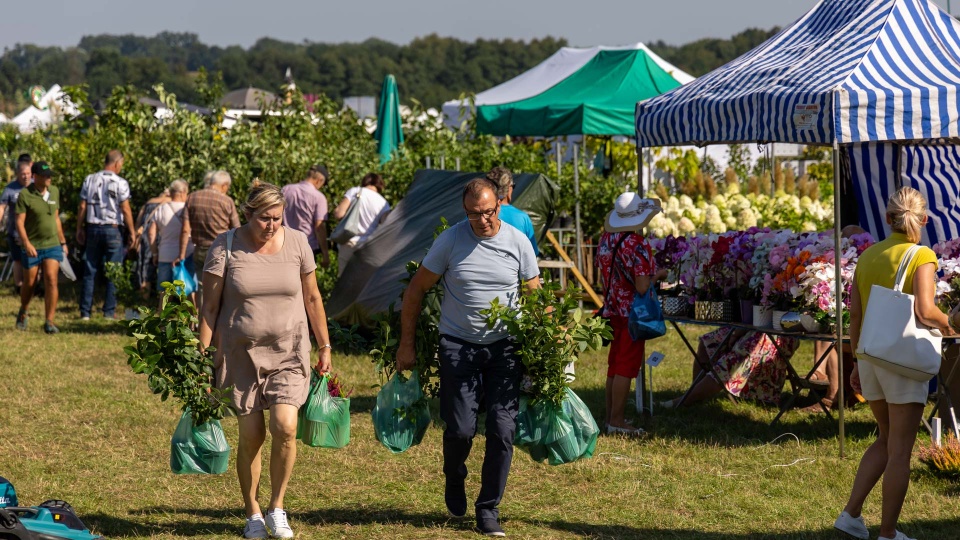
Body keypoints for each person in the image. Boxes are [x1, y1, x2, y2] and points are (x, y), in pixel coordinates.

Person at [396, 178, 540, 537]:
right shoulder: (451, 241)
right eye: (474, 214)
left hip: (505, 348)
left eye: (488, 212)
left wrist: (549, 344)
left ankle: (488, 508)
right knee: (460, 429)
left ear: (499, 207)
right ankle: (454, 475)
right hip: (458, 346)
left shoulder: (518, 242)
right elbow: (416, 291)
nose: (482, 220)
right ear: (465, 212)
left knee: (503, 429)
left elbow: (537, 296)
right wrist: (406, 344)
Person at [198, 181, 332, 539]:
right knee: (252, 436)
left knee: (286, 426)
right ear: (247, 214)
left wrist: (325, 346)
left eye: (277, 218)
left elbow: (313, 298)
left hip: (289, 350)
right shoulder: (225, 246)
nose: (271, 225)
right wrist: (202, 356)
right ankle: (252, 511)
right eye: (264, 219)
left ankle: (277, 507)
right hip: (239, 354)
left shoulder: (298, 242)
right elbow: (209, 308)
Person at [834, 187, 956, 540]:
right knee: (900, 451)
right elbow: (925, 311)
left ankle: (851, 515)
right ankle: (888, 534)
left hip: (871, 358)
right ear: (925, 219)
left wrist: (857, 363)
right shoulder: (923, 255)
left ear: (888, 219)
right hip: (901, 360)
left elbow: (855, 315)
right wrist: (951, 323)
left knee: (886, 440)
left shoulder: (868, 255)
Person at [595, 192, 666, 434]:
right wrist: (660, 275)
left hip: (611, 309)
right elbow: (642, 286)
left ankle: (609, 417)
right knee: (626, 366)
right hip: (632, 314)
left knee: (614, 365)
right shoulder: (637, 244)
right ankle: (617, 421)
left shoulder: (606, 240)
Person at [660, 328, 799, 408]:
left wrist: (737, 333)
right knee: (708, 341)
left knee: (734, 360)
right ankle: (696, 395)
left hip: (778, 332)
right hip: (750, 325)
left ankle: (684, 401)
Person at [76, 150, 136, 320]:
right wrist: (132, 231)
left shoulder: (90, 179)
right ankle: (109, 311)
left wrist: (79, 228)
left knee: (90, 270)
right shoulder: (120, 182)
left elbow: (82, 206)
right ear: (117, 163)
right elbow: (125, 208)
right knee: (114, 271)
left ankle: (85, 312)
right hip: (112, 229)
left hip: (93, 227)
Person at [14, 162, 66, 334]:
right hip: (33, 246)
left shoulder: (55, 192)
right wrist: (26, 243)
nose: (48, 178)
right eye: (45, 176)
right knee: (30, 282)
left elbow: (56, 218)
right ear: (35, 177)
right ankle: (24, 310)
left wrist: (63, 242)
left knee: (51, 279)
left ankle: (49, 321)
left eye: (50, 175)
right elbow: (19, 222)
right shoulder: (25, 195)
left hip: (52, 244)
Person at [176, 170, 240, 310]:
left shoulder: (192, 197)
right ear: (224, 185)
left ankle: (202, 322)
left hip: (199, 249)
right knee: (222, 286)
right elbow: (237, 229)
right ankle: (217, 323)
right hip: (221, 251)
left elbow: (185, 229)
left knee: (202, 287)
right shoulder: (227, 201)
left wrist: (181, 254)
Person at [331, 172, 390, 274]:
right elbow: (386, 227)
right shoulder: (383, 203)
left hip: (348, 242)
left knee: (343, 282)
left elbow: (339, 214)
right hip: (367, 246)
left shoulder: (355, 191)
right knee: (362, 283)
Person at [148, 180, 192, 296]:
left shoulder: (161, 209)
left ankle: (163, 313)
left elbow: (151, 234)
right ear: (183, 193)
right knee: (189, 291)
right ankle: (192, 314)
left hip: (165, 255)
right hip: (187, 254)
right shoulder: (189, 209)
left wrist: (155, 254)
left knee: (165, 293)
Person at [281, 164, 330, 267]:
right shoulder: (319, 197)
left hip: (283, 244)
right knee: (304, 281)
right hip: (306, 247)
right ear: (319, 181)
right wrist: (325, 253)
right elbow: (319, 227)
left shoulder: (286, 190)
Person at [486, 166, 539, 256]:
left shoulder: (478, 216)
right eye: (513, 186)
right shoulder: (522, 218)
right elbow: (532, 253)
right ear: (508, 187)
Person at [0, 160, 33, 291]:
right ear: (18, 174)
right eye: (23, 174)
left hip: (34, 231)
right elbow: (2, 207)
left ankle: (33, 285)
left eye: (28, 173)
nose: (26, 176)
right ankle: (19, 286)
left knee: (33, 259)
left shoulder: (36, 186)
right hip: (15, 232)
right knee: (18, 260)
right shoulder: (10, 189)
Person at [133, 188, 171, 295]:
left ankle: (144, 295)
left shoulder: (148, 203)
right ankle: (161, 297)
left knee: (145, 265)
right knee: (164, 268)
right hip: (162, 237)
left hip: (145, 237)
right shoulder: (169, 203)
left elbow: (138, 221)